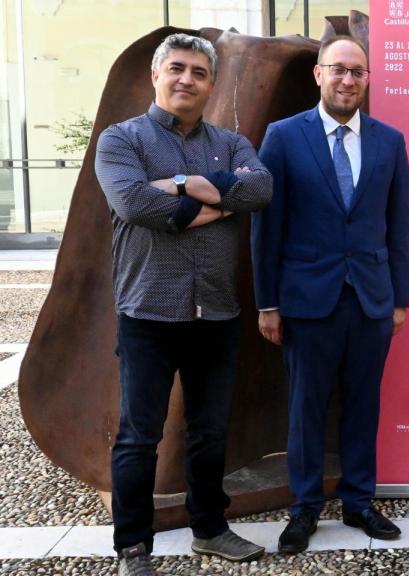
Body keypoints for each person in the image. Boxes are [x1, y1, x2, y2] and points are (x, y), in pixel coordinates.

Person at [95, 32, 272, 576]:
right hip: (148, 311)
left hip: (215, 313)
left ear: (212, 83)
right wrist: (206, 195)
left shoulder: (232, 143)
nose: (186, 80)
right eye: (176, 69)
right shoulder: (121, 140)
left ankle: (210, 530)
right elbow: (133, 201)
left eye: (198, 72)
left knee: (209, 430)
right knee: (139, 436)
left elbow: (260, 188)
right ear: (156, 75)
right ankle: (133, 548)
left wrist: (185, 185)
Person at [251, 35, 409, 553]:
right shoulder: (282, 136)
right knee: (307, 407)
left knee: (364, 404)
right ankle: (304, 509)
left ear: (367, 80)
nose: (349, 80)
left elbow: (397, 226)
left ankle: (360, 501)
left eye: (358, 72)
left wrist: (401, 298)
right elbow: (266, 229)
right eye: (339, 69)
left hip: (370, 298)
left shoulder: (389, 141)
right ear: (319, 74)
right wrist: (267, 302)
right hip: (306, 299)